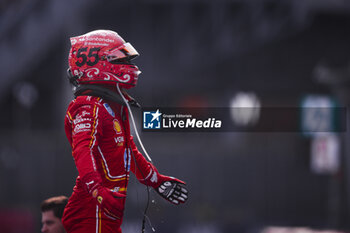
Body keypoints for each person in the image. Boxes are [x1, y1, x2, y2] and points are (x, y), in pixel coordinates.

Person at [62, 30, 188, 233]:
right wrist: (98, 191)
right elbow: (82, 150)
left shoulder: (110, 106)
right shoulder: (89, 107)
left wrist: (156, 181)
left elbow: (129, 150)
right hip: (92, 212)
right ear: (96, 62)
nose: (130, 67)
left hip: (105, 212)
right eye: (121, 59)